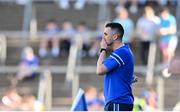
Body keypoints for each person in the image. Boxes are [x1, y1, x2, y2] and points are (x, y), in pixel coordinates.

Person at [96, 22, 134, 111]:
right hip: (117, 102)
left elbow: (99, 70)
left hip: (118, 102)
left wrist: (103, 49)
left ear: (115, 37)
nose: (103, 37)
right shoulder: (123, 52)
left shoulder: (121, 52)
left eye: (106, 34)